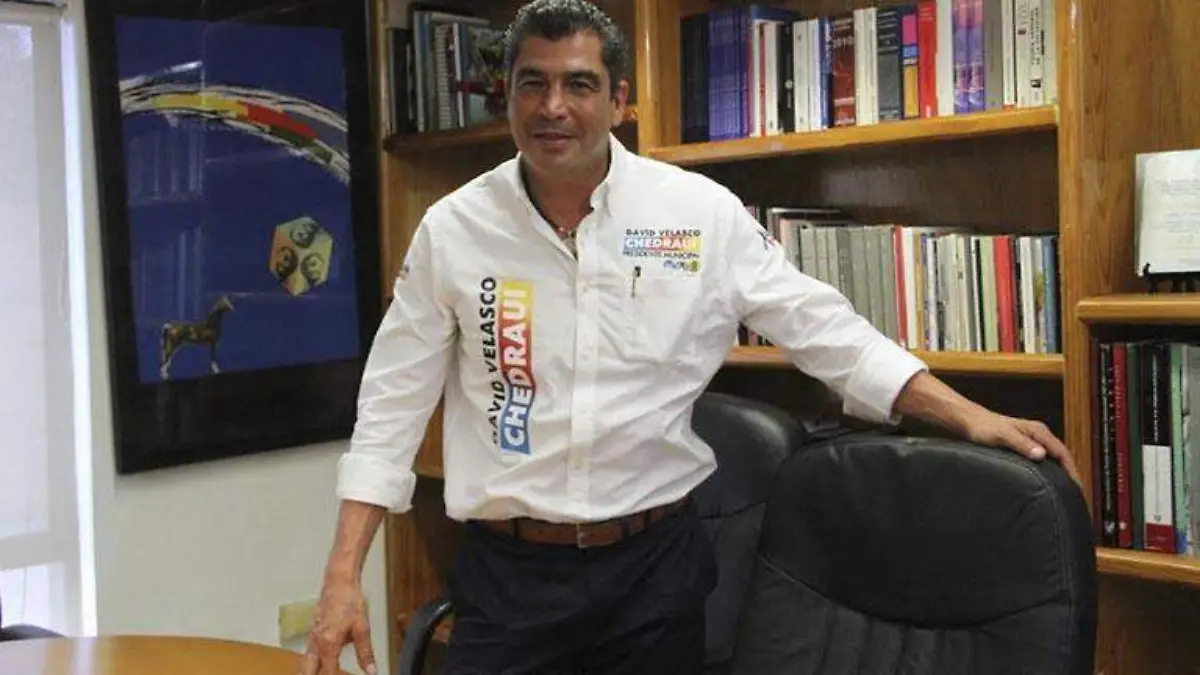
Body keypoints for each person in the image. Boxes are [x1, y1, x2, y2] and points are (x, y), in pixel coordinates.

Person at [299, 1, 1081, 673]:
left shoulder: (696, 214)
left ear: (620, 101)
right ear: (507, 98)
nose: (552, 106)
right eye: (531, 83)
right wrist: (341, 575)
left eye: (579, 84)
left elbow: (826, 330)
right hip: (510, 576)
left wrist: (971, 415)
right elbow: (393, 403)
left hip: (652, 574)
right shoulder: (454, 229)